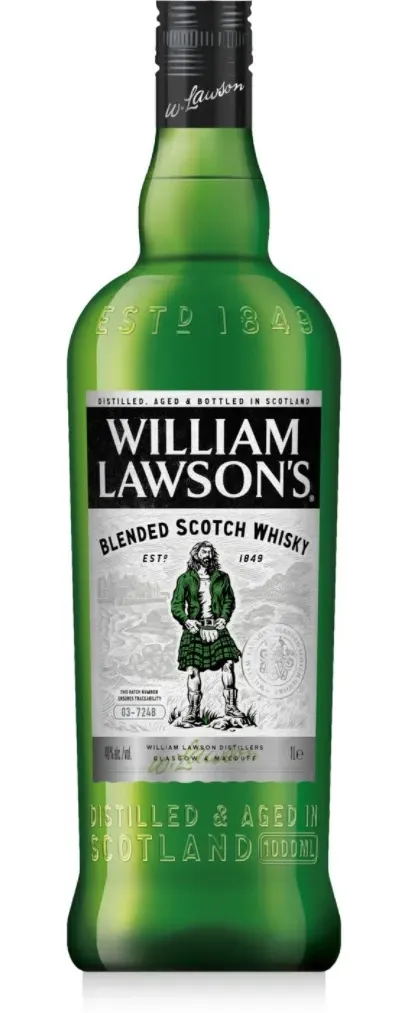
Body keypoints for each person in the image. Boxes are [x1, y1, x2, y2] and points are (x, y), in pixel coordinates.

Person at [171, 541, 245, 726]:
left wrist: (224, 618)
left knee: (228, 663)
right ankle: (193, 712)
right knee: (192, 670)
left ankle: (231, 707)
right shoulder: (185, 579)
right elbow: (176, 605)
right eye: (204, 552)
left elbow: (229, 601)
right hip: (194, 628)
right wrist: (187, 621)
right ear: (195, 555)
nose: (208, 555)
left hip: (217, 627)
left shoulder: (222, 577)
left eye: (210, 552)